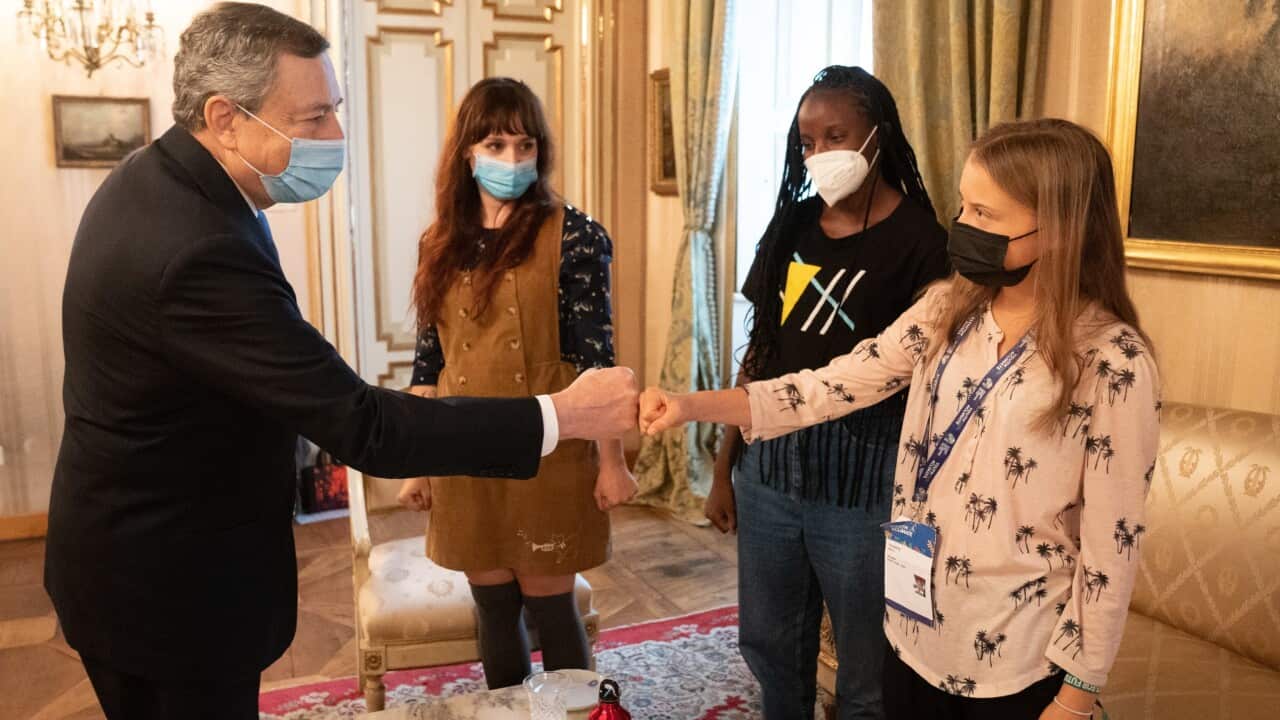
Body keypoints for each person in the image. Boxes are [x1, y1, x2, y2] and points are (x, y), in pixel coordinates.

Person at [43, 5, 637, 719]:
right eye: (314, 117)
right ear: (226, 117)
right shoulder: (195, 243)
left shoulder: (163, 182)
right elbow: (365, 425)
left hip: (149, 553)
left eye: (336, 111)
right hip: (168, 588)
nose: (336, 136)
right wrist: (560, 415)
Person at [640, 118, 1161, 720]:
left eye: (984, 214)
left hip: (1020, 661)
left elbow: (1111, 547)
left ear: (1060, 227)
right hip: (914, 635)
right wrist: (690, 406)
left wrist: (1076, 695)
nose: (963, 226)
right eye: (963, 206)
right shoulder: (946, 310)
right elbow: (827, 387)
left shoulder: (1113, 363)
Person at [704, 65, 948, 719]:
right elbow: (759, 353)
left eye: (835, 136)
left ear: (877, 135)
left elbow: (927, 382)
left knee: (869, 674)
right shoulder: (792, 226)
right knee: (772, 652)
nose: (819, 154)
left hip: (864, 484)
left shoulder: (923, 244)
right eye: (807, 142)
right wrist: (726, 468)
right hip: (770, 474)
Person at [394, 77, 636, 688]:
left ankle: (574, 712)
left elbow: (599, 364)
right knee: (494, 606)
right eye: (496, 145)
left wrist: (612, 463)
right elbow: (429, 362)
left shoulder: (575, 235)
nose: (512, 160)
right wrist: (419, 467)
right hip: (464, 448)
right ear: (467, 153)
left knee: (551, 605)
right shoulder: (438, 242)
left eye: (525, 146)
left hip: (552, 450)